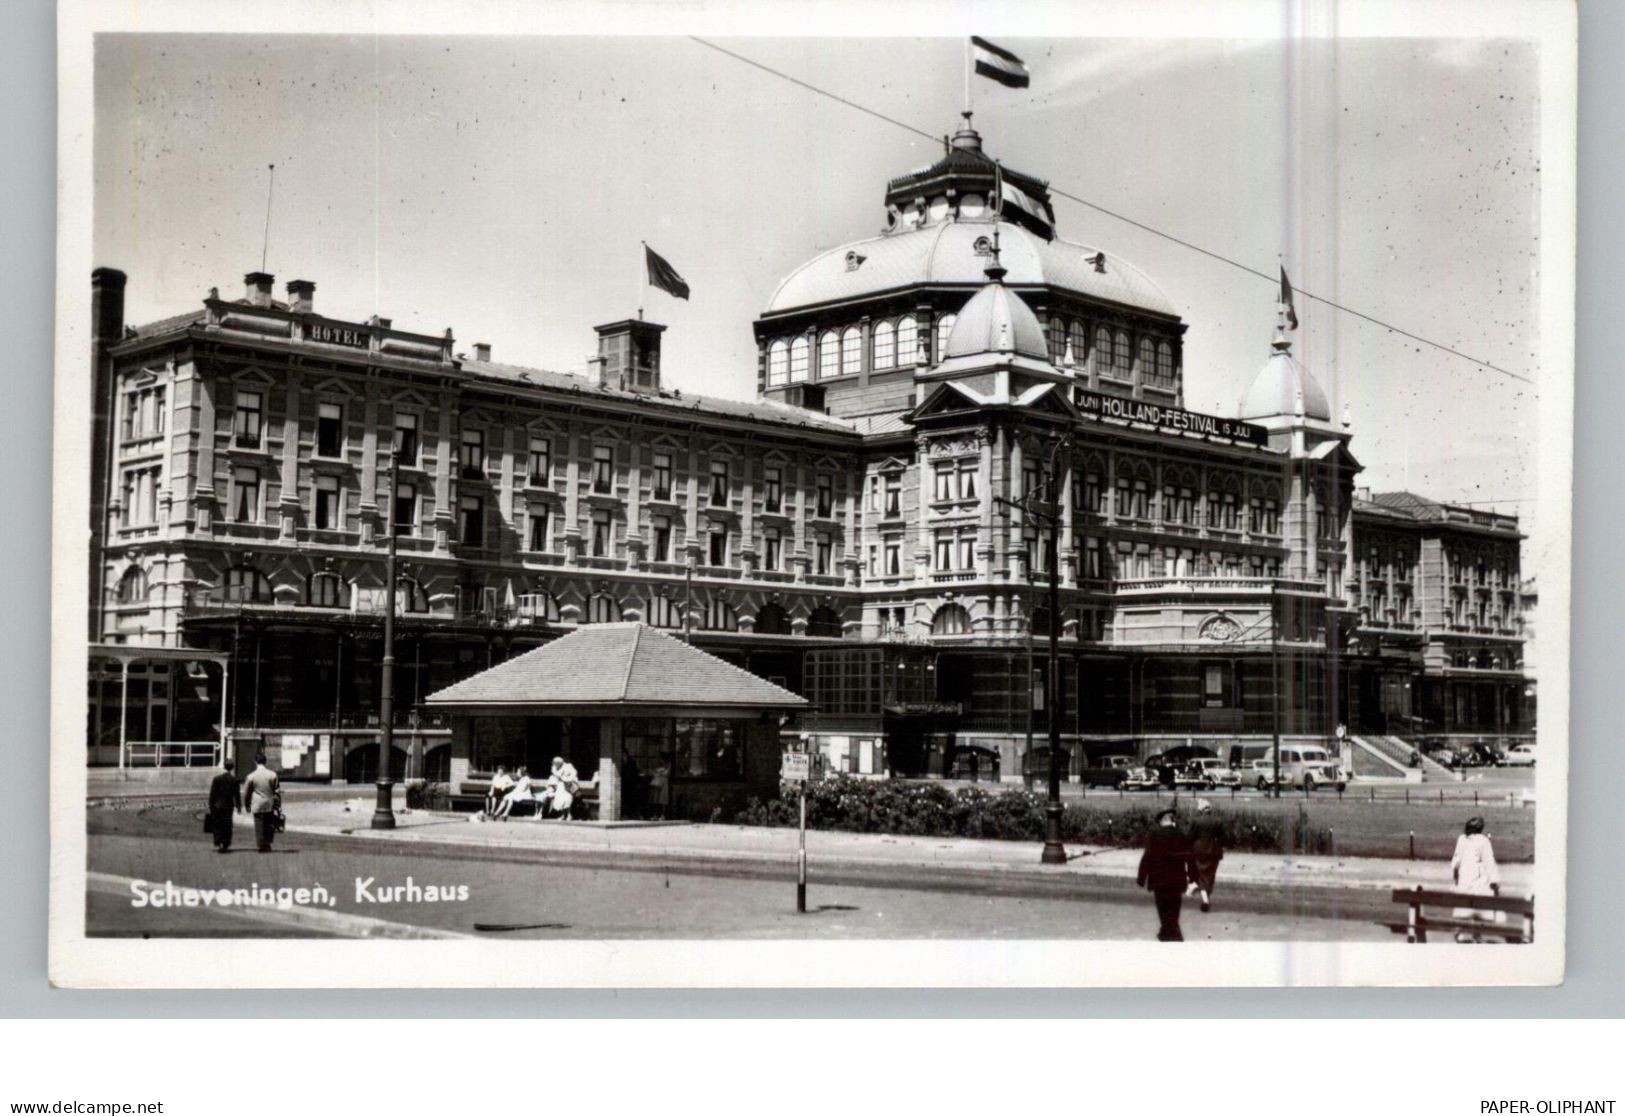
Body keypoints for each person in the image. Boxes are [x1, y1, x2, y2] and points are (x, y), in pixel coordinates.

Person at [1137, 808, 1196, 942]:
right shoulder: (1181, 834)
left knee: (1163, 911)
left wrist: (1141, 878)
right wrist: (1193, 878)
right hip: (1176, 880)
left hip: (1159, 880)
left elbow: (1147, 856)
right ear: (1172, 820)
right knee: (1174, 911)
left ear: (1160, 821)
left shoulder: (1154, 834)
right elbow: (1190, 857)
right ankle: (1168, 934)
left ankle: (1167, 935)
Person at [1450, 815, 1502, 942]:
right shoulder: (1483, 841)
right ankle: (1477, 935)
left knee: (1462, 906)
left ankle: (1459, 932)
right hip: (1479, 880)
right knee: (1478, 907)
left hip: (1464, 878)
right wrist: (1494, 881)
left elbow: (1455, 861)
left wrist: (1455, 876)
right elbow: (1489, 862)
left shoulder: (1461, 839)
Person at [1188, 799, 1225, 913]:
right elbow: (1223, 839)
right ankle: (1205, 896)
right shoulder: (1218, 822)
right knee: (1210, 875)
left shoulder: (1196, 821)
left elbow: (1190, 837)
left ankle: (1205, 900)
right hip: (1214, 851)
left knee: (1202, 875)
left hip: (1199, 851)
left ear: (1201, 810)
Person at [242, 752, 281, 853]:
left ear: (255, 762)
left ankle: (261, 844)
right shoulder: (273, 774)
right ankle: (267, 843)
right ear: (265, 761)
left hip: (257, 803)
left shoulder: (251, 776)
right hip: (269, 803)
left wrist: (246, 805)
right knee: (269, 824)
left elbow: (246, 793)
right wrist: (278, 805)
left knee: (259, 824)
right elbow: (276, 792)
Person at [206, 758, 243, 853]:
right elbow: (237, 795)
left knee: (218, 824)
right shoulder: (234, 780)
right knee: (227, 824)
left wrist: (210, 804)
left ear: (224, 766)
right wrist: (239, 806)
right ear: (232, 767)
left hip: (217, 805)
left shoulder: (217, 779)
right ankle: (225, 842)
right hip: (228, 806)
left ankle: (218, 841)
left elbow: (212, 793)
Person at [540, 756, 579, 820]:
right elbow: (556, 776)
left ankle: (569, 815)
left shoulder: (568, 766)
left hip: (568, 785)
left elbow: (574, 774)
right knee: (560, 800)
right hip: (560, 785)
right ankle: (563, 815)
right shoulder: (555, 768)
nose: (555, 764)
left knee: (567, 799)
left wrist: (567, 779)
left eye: (556, 763)